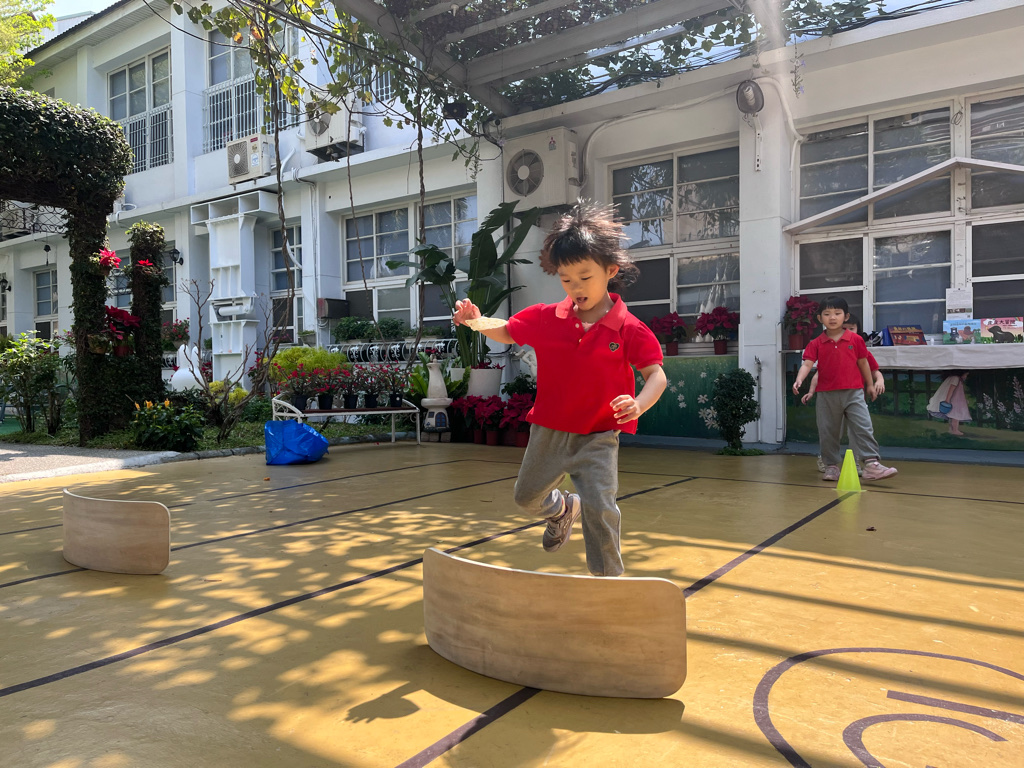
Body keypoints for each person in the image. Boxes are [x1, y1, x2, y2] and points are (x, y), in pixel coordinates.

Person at [452, 202, 667, 577]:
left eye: (584, 277)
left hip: (598, 435)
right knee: (526, 497)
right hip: (549, 431)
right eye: (567, 279)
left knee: (601, 508)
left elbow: (656, 376)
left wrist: (639, 404)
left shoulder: (628, 328)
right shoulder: (546, 318)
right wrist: (476, 322)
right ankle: (562, 510)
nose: (576, 287)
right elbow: (508, 331)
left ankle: (609, 583)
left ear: (610, 270)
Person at [792, 297, 897, 482]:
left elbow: (864, 363)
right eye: (827, 314)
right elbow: (807, 364)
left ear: (845, 316)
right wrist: (799, 379)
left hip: (854, 392)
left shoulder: (855, 339)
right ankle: (831, 466)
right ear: (820, 318)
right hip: (826, 395)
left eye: (837, 313)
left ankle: (871, 464)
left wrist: (870, 385)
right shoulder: (816, 343)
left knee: (864, 426)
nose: (832, 317)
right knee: (828, 431)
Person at [804, 314, 885, 475]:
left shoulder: (860, 348)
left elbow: (874, 370)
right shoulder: (825, 347)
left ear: (858, 330)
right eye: (844, 328)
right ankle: (829, 462)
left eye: (851, 328)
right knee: (832, 431)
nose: (846, 331)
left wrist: (878, 382)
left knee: (859, 431)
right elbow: (818, 374)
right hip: (832, 399)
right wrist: (811, 391)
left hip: (854, 398)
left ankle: (857, 463)